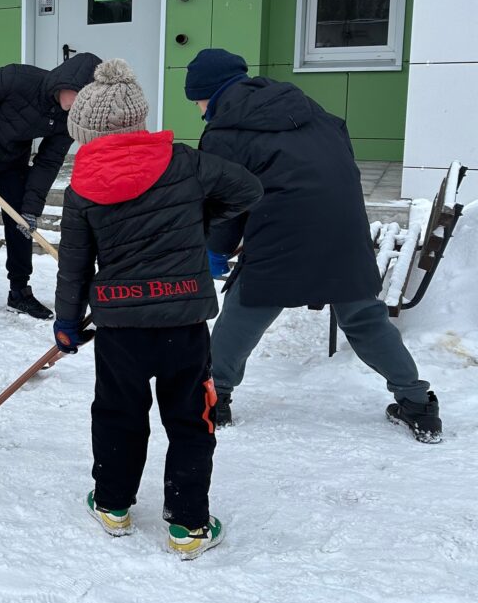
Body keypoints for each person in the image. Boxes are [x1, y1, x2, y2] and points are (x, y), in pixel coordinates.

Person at [54, 59, 262, 559]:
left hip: (121, 325)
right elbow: (248, 190)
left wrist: (65, 322)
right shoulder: (185, 164)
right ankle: (189, 527)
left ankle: (113, 505)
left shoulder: (81, 187)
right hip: (182, 324)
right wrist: (199, 214)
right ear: (139, 123)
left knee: (118, 414)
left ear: (86, 132)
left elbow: (76, 267)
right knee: (192, 419)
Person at [186, 48, 442, 443]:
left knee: (246, 307)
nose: (200, 109)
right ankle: (417, 403)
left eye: (198, 100)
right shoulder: (307, 107)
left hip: (282, 228)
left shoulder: (225, 131)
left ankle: (215, 398)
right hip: (344, 225)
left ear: (210, 93)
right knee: (364, 316)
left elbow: (225, 201)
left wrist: (217, 249)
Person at [0, 53, 101, 319]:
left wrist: (32, 207)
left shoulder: (69, 117)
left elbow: (49, 161)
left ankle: (20, 291)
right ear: (66, 83)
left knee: (22, 224)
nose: (80, 106)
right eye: (80, 97)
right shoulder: (17, 79)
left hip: (13, 161)